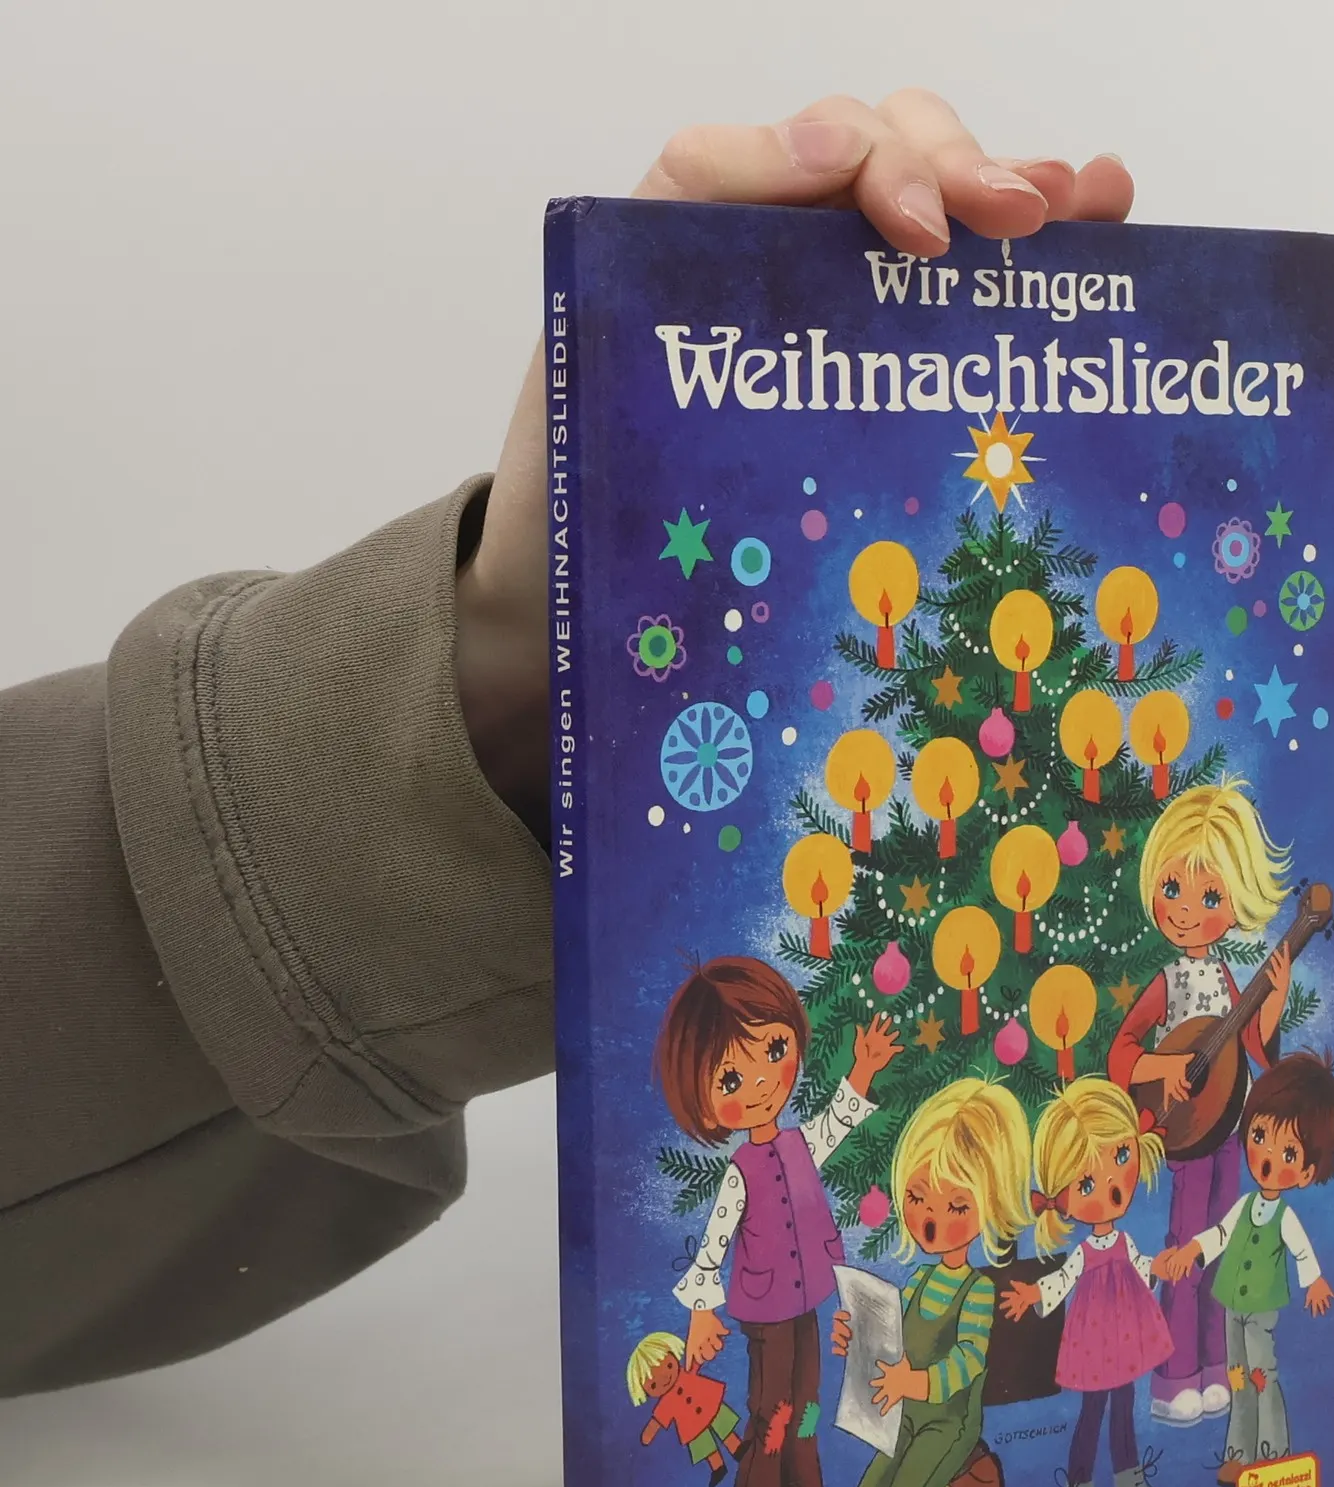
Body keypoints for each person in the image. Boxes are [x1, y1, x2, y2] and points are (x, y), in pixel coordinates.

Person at [0, 93, 1134, 1400]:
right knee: (790, 1426)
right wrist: (481, 718)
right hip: (793, 1323)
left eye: (772, 1056)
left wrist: (500, 690)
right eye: (751, 1064)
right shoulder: (769, 1153)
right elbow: (737, 1218)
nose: (768, 1076)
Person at [655, 955, 902, 1487]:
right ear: (707, 1103)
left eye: (773, 1050)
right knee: (772, 1421)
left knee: (808, 1415)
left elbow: (833, 1124)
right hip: (766, 1318)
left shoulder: (797, 1143)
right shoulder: (739, 1173)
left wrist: (862, 1070)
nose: (763, 1081)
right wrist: (701, 1312)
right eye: (732, 1077)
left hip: (807, 1306)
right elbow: (714, 1244)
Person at [1105, 778, 1293, 1428]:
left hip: (1230, 1128)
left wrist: (1272, 1001)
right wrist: (1165, 1067)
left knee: (1223, 1243)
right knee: (1185, 1245)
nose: (1187, 910)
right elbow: (1123, 1053)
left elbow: (1254, 1048)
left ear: (1234, 902)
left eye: (1209, 897)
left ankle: (1215, 1367)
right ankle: (1173, 1376)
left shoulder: (1224, 977)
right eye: (1173, 890)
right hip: (1187, 1134)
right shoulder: (1169, 981)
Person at [833, 1079, 1028, 1487]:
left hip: (949, 1423)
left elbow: (968, 1361)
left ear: (989, 1205)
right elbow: (891, 1340)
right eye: (918, 1198)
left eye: (956, 1206)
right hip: (904, 1416)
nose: (931, 1219)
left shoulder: (977, 1291)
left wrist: (914, 1383)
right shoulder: (919, 1280)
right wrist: (855, 1339)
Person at [1153, 1052, 1334, 1481]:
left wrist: (1313, 1281)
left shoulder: (1283, 1216)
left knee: (1262, 1376)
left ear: (1306, 1172)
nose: (1269, 1157)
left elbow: (1301, 1250)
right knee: (1237, 1377)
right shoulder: (1244, 1205)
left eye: (1288, 1151)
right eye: (1260, 1135)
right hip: (1231, 1307)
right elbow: (1220, 1234)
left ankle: (1273, 1452)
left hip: (1260, 1310)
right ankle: (1238, 1452)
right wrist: (1191, 1251)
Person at [1002, 1077, 1173, 1487]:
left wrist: (1159, 1268)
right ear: (1064, 1199)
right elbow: (1063, 1279)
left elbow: (1141, 1268)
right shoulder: (1086, 1251)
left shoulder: (1123, 1240)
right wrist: (1033, 1295)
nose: (1112, 1187)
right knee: (1091, 1414)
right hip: (1095, 1346)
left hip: (1126, 1341)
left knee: (1124, 1407)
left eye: (1121, 1158)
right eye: (1088, 1182)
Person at [626, 1330, 743, 1487]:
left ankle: (737, 1449)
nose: (665, 1378)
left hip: (709, 1404)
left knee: (724, 1428)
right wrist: (648, 1435)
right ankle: (718, 1467)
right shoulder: (666, 1404)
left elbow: (697, 1359)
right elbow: (657, 1421)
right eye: (653, 1385)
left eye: (668, 1365)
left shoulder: (685, 1371)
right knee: (705, 1446)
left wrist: (707, 1345)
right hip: (692, 1425)